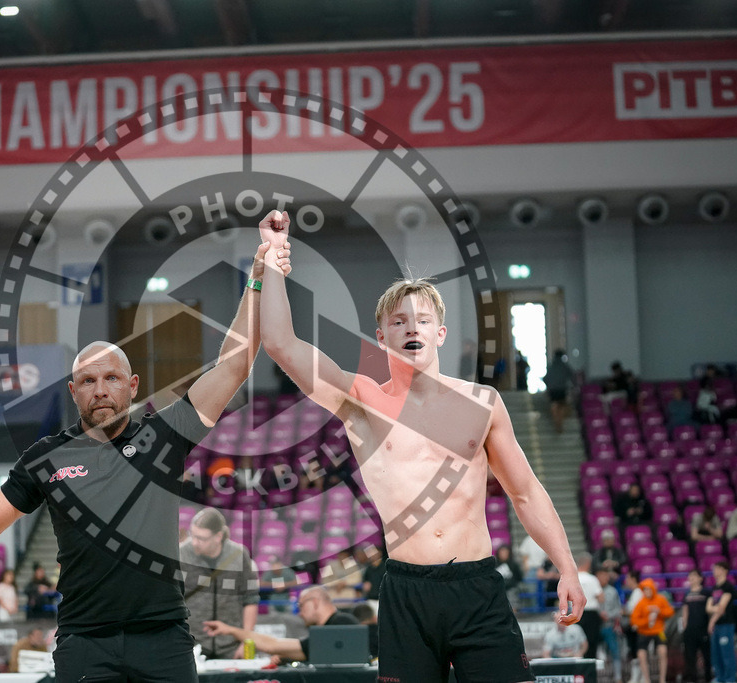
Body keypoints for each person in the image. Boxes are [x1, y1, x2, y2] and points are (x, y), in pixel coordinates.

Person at [0, 242, 292, 679]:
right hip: (84, 640)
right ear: (73, 391)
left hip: (163, 637)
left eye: (111, 378)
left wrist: (256, 277)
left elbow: (233, 366)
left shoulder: (166, 435)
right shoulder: (47, 457)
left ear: (133, 385)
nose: (100, 389)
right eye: (87, 380)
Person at [256, 209, 585, 682]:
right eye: (398, 321)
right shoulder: (361, 401)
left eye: (422, 319)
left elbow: (526, 493)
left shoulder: (483, 402)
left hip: (477, 587)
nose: (411, 327)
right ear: (381, 336)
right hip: (406, 592)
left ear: (439, 333)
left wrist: (567, 568)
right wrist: (271, 260)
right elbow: (280, 343)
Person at [179, 507, 259, 659]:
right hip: (191, 646)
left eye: (201, 538)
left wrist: (246, 640)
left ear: (218, 536)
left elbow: (250, 599)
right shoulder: (181, 554)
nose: (194, 542)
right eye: (192, 535)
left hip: (231, 646)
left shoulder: (239, 555)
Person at [202, 586, 363, 662]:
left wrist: (230, 630)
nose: (299, 613)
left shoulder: (341, 623)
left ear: (314, 602)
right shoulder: (333, 626)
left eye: (300, 606)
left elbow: (272, 645)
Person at [630, 578, 674, 683]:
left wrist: (659, 611)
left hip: (659, 631)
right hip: (644, 632)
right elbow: (634, 620)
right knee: (641, 654)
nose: (647, 592)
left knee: (662, 651)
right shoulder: (641, 603)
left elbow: (670, 612)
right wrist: (646, 621)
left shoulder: (660, 599)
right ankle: (646, 679)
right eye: (645, 590)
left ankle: (662, 679)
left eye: (649, 589)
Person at [706, 561, 737, 683]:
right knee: (716, 654)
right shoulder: (714, 588)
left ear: (724, 570)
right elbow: (708, 608)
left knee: (727, 654)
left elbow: (721, 607)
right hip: (717, 626)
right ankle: (720, 678)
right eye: (714, 568)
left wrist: (712, 621)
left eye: (718, 568)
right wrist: (716, 609)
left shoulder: (728, 587)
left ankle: (730, 679)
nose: (715, 571)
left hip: (726, 625)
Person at [681, 569, 713, 683]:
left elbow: (710, 610)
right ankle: (693, 679)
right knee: (690, 656)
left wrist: (711, 624)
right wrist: (684, 625)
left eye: (694, 576)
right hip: (690, 630)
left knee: (707, 656)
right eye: (690, 576)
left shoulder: (706, 592)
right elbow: (685, 610)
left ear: (700, 578)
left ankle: (708, 678)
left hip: (703, 629)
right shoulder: (687, 594)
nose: (691, 578)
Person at [597, 567, 624, 683]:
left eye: (605, 576)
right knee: (595, 653)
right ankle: (596, 677)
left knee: (615, 652)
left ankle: (617, 678)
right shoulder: (592, 590)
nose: (603, 578)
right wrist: (598, 613)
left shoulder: (612, 591)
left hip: (609, 626)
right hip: (595, 626)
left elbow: (619, 610)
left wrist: (608, 615)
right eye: (600, 576)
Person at [576, 552, 603, 661]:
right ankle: (591, 667)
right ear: (588, 563)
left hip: (576, 613)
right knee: (591, 642)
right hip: (591, 614)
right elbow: (601, 598)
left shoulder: (572, 578)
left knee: (578, 642)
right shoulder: (592, 579)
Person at [494, 543, 524, 609]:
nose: (504, 553)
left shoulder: (513, 564)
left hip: (511, 588)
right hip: (498, 589)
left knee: (512, 596)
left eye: (505, 552)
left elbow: (519, 577)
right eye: (502, 551)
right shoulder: (494, 564)